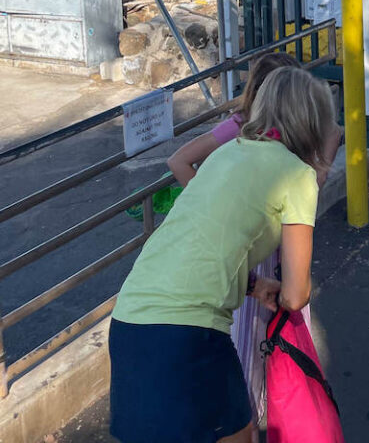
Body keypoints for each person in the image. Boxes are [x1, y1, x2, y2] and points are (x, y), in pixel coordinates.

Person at [109, 66, 337, 443]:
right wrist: (280, 290)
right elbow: (296, 295)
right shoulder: (298, 176)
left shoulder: (227, 152)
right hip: (188, 331)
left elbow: (202, 237)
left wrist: (251, 284)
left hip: (130, 319)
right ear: (312, 121)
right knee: (236, 432)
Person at [167, 52, 339, 426]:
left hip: (279, 250)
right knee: (247, 344)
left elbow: (333, 138)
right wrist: (216, 214)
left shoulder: (278, 145)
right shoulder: (240, 131)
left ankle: (267, 410)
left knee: (281, 338)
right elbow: (179, 160)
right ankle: (252, 413)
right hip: (249, 258)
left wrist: (318, 171)